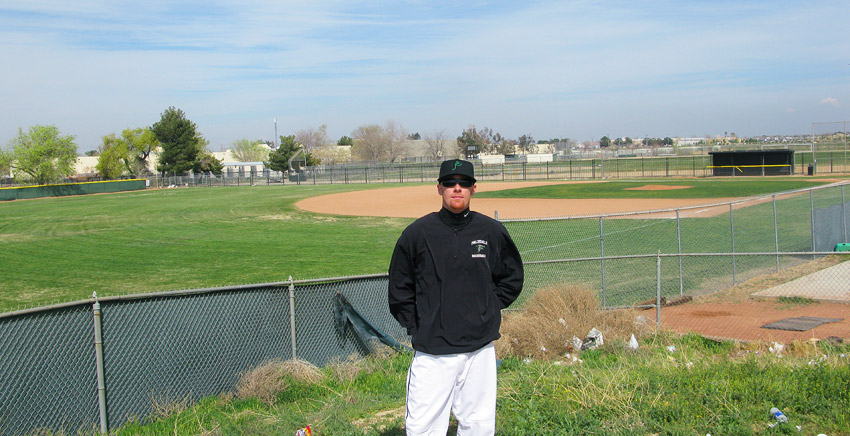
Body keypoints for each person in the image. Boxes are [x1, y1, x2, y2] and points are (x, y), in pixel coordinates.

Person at [388, 159, 524, 435]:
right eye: (450, 183)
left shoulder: (491, 231)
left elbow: (512, 278)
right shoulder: (417, 233)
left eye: (463, 183)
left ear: (474, 188)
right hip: (433, 351)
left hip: (479, 349)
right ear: (439, 189)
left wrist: (487, 310)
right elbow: (400, 288)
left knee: (478, 424)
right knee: (423, 427)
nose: (457, 188)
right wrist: (418, 325)